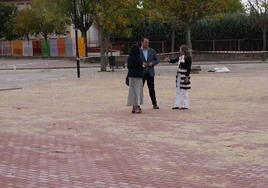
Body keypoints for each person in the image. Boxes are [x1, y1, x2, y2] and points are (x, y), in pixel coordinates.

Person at [164, 45, 192, 110]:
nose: (179, 51)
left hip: (184, 75)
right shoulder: (180, 57)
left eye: (180, 50)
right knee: (178, 90)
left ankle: (186, 105)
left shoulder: (188, 58)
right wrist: (169, 60)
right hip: (179, 75)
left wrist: (187, 77)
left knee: (185, 90)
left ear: (183, 51)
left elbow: (188, 68)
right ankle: (177, 104)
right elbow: (174, 60)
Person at [140, 38, 160, 109]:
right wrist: (142, 64)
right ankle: (138, 104)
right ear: (142, 43)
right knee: (140, 89)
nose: (147, 44)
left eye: (148, 42)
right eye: (146, 42)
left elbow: (157, 60)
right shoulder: (138, 51)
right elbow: (135, 60)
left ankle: (154, 103)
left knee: (151, 88)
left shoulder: (152, 51)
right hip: (142, 72)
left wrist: (153, 63)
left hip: (150, 72)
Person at [127, 44, 144, 114]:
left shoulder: (129, 57)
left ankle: (133, 106)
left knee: (132, 91)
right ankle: (137, 106)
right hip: (137, 76)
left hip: (131, 76)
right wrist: (143, 66)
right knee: (138, 91)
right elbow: (140, 66)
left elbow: (128, 66)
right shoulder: (138, 57)